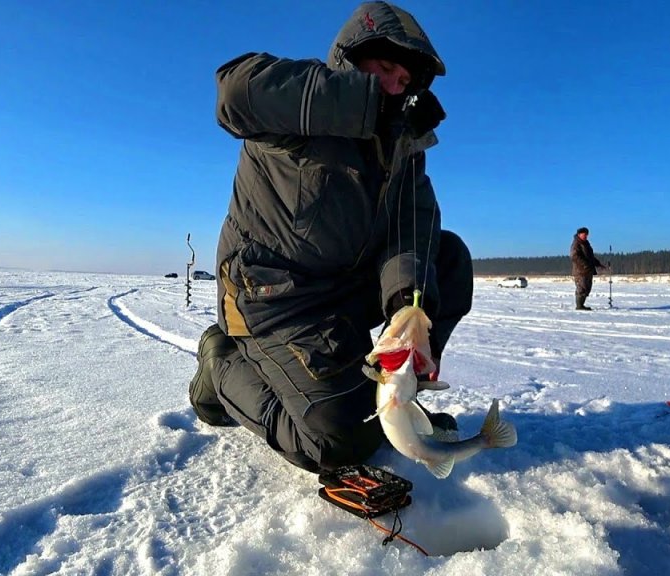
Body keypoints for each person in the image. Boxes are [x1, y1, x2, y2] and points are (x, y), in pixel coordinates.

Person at [187, 1, 473, 474]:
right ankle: (220, 367)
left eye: (404, 82)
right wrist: (364, 103)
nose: (394, 87)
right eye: (383, 69)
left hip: (342, 290)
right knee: (336, 440)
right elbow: (233, 92)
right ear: (350, 59)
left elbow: (413, 229)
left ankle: (399, 396)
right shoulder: (302, 110)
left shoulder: (401, 149)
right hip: (275, 299)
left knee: (447, 259)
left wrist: (407, 303)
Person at [570, 227, 605, 310]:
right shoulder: (576, 243)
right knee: (582, 288)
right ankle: (579, 306)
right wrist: (585, 265)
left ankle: (581, 305)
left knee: (587, 288)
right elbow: (574, 256)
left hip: (588, 271)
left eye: (586, 235)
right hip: (580, 271)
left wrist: (598, 264)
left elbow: (590, 257)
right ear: (579, 234)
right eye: (584, 234)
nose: (585, 236)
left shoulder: (586, 244)